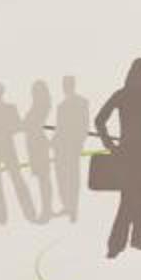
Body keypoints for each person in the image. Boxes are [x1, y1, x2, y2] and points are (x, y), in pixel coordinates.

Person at [93, 59, 141, 258]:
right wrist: (110, 145)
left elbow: (99, 120)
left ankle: (130, 240)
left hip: (134, 151)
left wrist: (110, 145)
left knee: (135, 195)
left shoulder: (125, 95)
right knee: (133, 195)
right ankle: (124, 242)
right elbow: (99, 120)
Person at [0, 82, 38, 224]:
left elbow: (17, 126)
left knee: (16, 180)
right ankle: (2, 217)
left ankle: (28, 213)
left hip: (6, 149)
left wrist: (6, 128)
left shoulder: (8, 109)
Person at [53, 76, 89, 222]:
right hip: (61, 146)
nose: (65, 87)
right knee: (62, 177)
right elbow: (59, 128)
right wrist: (54, 142)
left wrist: (79, 142)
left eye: (67, 85)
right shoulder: (61, 106)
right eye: (64, 85)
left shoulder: (81, 103)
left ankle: (72, 208)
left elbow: (84, 125)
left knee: (72, 177)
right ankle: (67, 206)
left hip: (72, 145)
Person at [23, 78, 59, 220]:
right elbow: (28, 124)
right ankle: (47, 209)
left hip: (37, 144)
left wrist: (23, 124)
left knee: (43, 178)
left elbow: (31, 124)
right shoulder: (39, 106)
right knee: (43, 178)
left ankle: (47, 210)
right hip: (35, 144)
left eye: (35, 91)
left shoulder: (40, 107)